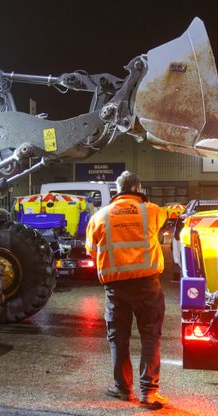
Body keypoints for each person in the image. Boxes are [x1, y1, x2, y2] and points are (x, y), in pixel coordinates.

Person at [85, 171, 169, 407]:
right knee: (151, 336)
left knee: (118, 338)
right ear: (139, 189)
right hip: (147, 285)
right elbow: (165, 216)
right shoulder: (152, 211)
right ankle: (149, 393)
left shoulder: (100, 217)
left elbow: (92, 249)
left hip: (116, 288)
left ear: (116, 190)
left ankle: (122, 388)